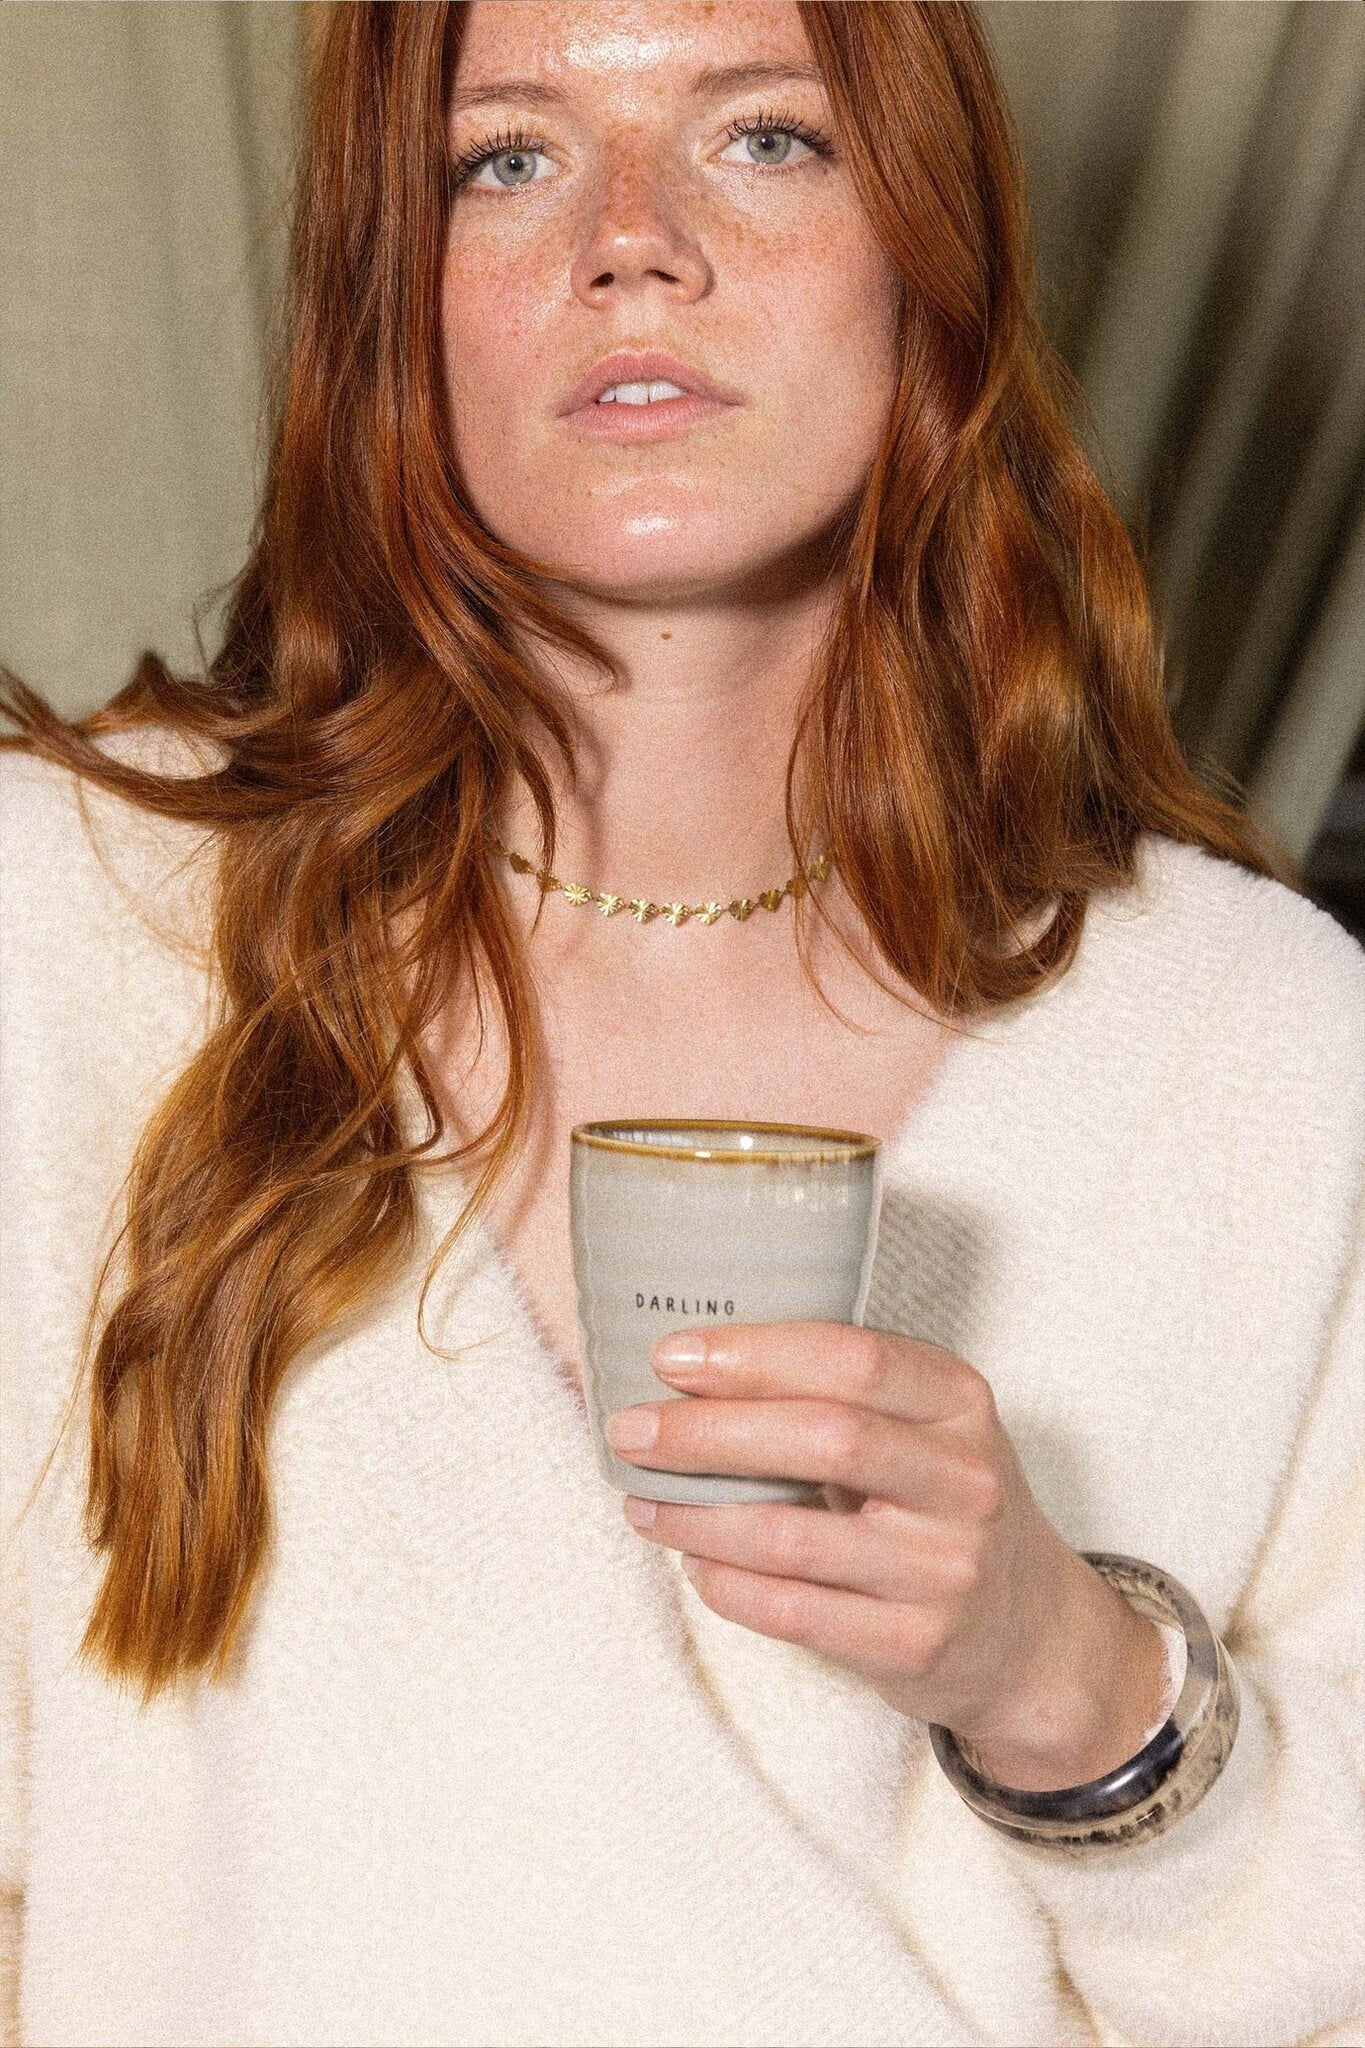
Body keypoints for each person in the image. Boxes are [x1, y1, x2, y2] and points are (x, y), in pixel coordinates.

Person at [2, 3, 1361, 2044]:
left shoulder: (1257, 1044)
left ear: (933, 251)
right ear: (394, 298)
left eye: (763, 138)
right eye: (508, 158)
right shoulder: (71, 926)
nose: (628, 238)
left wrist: (1065, 1680)